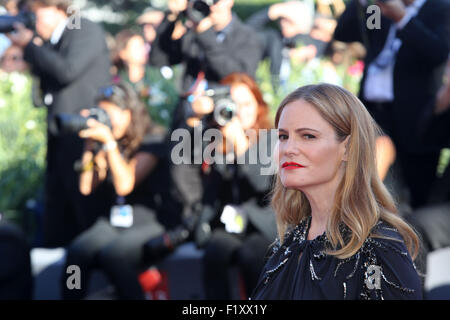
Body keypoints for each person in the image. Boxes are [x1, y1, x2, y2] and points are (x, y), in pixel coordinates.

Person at [251, 83, 422, 300]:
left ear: (348, 149)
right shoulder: (290, 243)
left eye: (307, 136)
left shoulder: (379, 250)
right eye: (284, 136)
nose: (289, 148)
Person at [61, 83, 182, 300]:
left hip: (153, 221)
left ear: (129, 113)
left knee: (115, 255)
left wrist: (108, 144)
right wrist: (90, 145)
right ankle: (73, 295)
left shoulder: (154, 139)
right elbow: (86, 187)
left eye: (110, 113)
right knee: (76, 253)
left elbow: (125, 184)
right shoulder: (109, 143)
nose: (106, 119)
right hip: (116, 224)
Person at [7, 0, 111, 246]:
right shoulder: (52, 42)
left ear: (57, 8)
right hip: (59, 139)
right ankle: (62, 276)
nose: (33, 21)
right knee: (57, 219)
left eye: (35, 13)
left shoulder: (84, 30)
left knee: (85, 213)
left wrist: (30, 46)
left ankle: (93, 277)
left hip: (83, 138)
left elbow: (67, 71)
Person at [334, 0, 450, 209]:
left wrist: (403, 19)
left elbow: (438, 52)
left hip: (415, 120)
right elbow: (346, 33)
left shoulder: (439, 8)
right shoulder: (381, 9)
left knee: (416, 191)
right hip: (374, 113)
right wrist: (362, 4)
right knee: (366, 184)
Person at [186, 73, 277, 299]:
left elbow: (260, 184)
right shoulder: (218, 136)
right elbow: (188, 162)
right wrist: (195, 120)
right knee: (215, 252)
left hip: (266, 224)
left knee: (252, 255)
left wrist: (241, 145)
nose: (240, 111)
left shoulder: (273, 138)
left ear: (259, 105)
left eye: (247, 104)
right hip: (232, 225)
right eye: (234, 105)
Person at [150, 0, 263, 130]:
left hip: (224, 121)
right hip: (187, 122)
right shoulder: (193, 33)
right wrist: (171, 17)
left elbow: (238, 78)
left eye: (215, 1)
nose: (211, 6)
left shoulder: (247, 36)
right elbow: (158, 59)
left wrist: (205, 34)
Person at [113, 29, 179, 127]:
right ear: (123, 53)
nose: (143, 50)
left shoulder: (157, 76)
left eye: (142, 46)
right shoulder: (117, 82)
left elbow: (172, 102)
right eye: (137, 47)